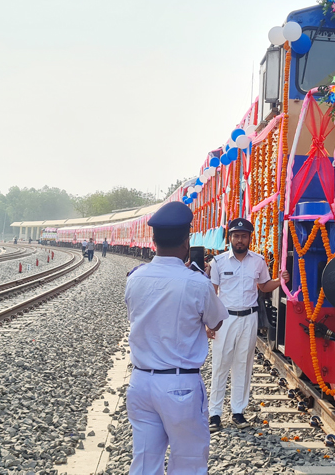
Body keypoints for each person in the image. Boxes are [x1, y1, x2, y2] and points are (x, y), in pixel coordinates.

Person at [125, 201, 227, 475]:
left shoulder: (135, 278)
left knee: (145, 462)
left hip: (141, 382)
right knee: (189, 464)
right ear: (187, 242)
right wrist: (199, 276)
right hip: (179, 385)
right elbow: (215, 321)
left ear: (153, 240)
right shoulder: (196, 282)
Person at [207, 218, 290, 432]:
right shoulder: (219, 262)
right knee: (220, 365)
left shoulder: (258, 261)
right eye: (236, 236)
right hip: (225, 320)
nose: (239, 240)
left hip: (249, 318)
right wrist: (209, 323)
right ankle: (214, 414)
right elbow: (211, 293)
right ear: (230, 238)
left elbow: (263, 286)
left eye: (243, 236)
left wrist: (280, 281)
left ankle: (238, 412)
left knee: (243, 365)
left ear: (249, 238)